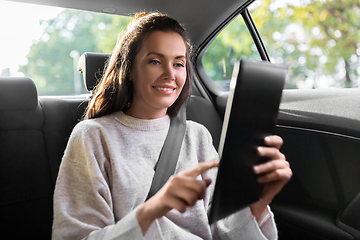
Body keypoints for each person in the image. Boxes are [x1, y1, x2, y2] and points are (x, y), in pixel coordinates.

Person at [52, 12, 292, 240]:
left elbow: (221, 230)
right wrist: (155, 208)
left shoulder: (197, 135)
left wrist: (260, 201)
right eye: (155, 61)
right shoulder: (93, 136)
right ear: (130, 70)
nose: (170, 74)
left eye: (178, 64)